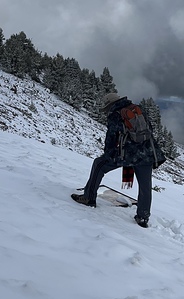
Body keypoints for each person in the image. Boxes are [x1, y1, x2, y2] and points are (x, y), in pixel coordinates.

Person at [71, 92, 165, 228]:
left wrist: (108, 154)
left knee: (99, 164)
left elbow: (111, 137)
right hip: (147, 153)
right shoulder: (138, 109)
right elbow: (149, 129)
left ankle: (88, 197)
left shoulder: (116, 114)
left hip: (126, 154)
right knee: (145, 187)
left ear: (110, 105)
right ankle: (143, 217)